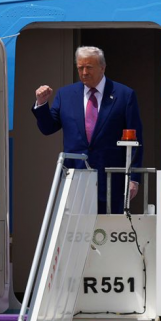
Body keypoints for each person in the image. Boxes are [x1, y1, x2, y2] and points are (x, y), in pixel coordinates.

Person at [32, 46, 143, 214]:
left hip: (110, 179)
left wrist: (133, 178)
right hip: (75, 178)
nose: (84, 72)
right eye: (80, 68)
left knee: (109, 227)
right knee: (74, 228)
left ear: (102, 67)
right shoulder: (65, 95)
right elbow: (48, 128)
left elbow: (136, 140)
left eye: (89, 67)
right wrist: (41, 104)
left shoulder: (124, 95)